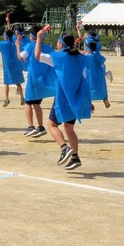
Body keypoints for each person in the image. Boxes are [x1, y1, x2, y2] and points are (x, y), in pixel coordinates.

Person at [34, 25, 91, 170]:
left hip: (62, 97)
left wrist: (39, 39)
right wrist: (86, 101)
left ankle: (64, 148)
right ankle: (75, 157)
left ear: (61, 44)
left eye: (59, 42)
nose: (57, 44)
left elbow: (37, 56)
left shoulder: (57, 57)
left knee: (52, 125)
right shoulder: (81, 58)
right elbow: (84, 80)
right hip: (75, 98)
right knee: (69, 128)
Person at [15, 25, 55, 138]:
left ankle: (30, 126)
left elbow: (20, 57)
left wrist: (17, 46)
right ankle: (41, 127)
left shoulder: (30, 46)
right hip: (44, 79)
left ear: (32, 36)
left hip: (33, 78)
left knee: (28, 102)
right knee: (36, 103)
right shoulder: (48, 47)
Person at [77, 22, 110, 111]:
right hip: (98, 61)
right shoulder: (97, 42)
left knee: (88, 82)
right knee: (101, 82)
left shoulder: (88, 41)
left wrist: (78, 29)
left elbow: (81, 38)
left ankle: (89, 104)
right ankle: (105, 99)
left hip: (90, 62)